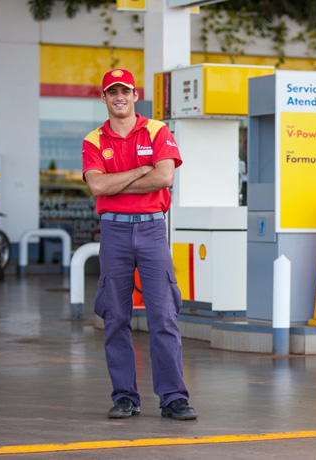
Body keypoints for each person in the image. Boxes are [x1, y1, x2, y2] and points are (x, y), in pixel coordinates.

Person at [81, 69, 197, 421]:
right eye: (112, 91)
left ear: (134, 95)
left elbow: (164, 176)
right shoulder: (93, 139)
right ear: (104, 98)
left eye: (125, 91)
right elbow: (97, 187)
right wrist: (136, 172)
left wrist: (115, 182)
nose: (119, 96)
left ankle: (173, 397)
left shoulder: (156, 129)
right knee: (115, 317)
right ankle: (125, 397)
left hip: (150, 230)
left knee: (164, 316)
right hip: (113, 232)